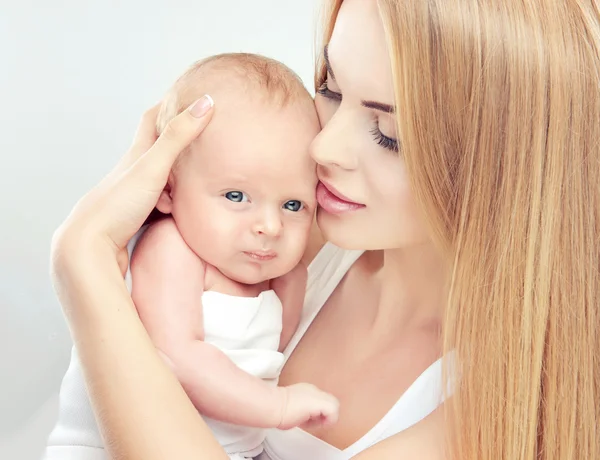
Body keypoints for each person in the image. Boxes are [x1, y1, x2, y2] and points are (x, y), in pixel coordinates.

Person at [45, 0, 600, 459]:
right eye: (331, 88)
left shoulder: (501, 397)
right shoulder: (295, 238)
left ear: (508, 172)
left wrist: (83, 263)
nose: (322, 146)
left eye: (388, 135)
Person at [126, 53, 339, 460]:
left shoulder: (283, 275)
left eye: (293, 205)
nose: (270, 227)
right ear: (169, 189)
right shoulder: (172, 248)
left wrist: (290, 282)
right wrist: (278, 407)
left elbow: (272, 351)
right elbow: (178, 358)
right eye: (236, 196)